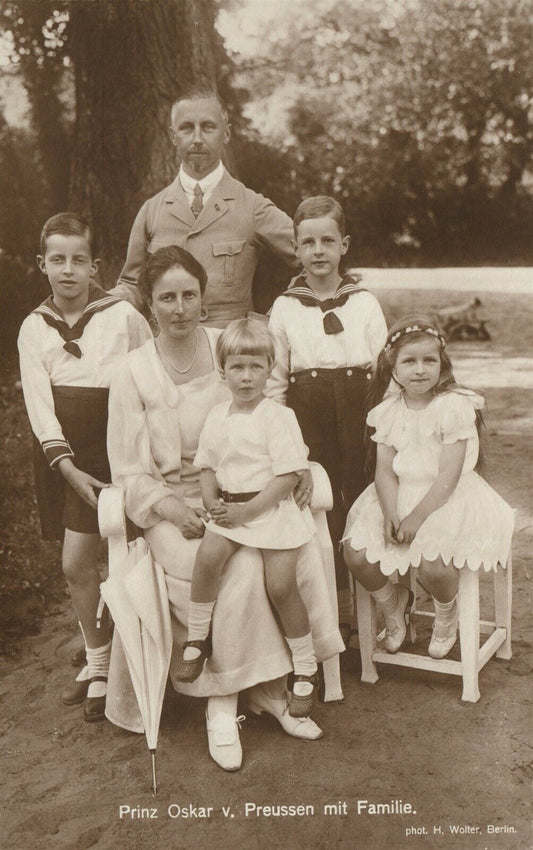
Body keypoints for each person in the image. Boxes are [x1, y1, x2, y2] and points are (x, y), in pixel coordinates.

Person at [106, 245, 344, 771]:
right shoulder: (133, 371)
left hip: (246, 494)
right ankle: (224, 704)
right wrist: (169, 507)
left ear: (203, 298)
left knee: (275, 555)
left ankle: (266, 687)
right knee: (231, 568)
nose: (179, 307)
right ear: (149, 304)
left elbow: (267, 412)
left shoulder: (229, 348)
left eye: (189, 295)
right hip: (172, 504)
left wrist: (296, 466)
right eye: (166, 297)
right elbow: (126, 469)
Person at [17, 212, 151, 722]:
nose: (68, 270)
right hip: (69, 457)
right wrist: (67, 468)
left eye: (78, 260)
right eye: (57, 260)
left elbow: (149, 372)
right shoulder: (34, 328)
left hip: (121, 445)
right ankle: (97, 661)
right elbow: (38, 406)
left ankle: (131, 660)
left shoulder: (122, 316)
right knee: (77, 562)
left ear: (95, 266)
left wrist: (139, 450)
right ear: (42, 264)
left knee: (128, 554)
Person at [342, 315, 514, 658]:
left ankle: (445, 613)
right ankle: (393, 605)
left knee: (434, 562)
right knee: (356, 554)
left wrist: (415, 520)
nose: (419, 370)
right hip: (398, 494)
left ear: (442, 364)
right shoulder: (387, 412)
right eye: (409, 361)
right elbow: (385, 472)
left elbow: (448, 476)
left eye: (428, 361)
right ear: (393, 366)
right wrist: (391, 512)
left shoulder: (453, 406)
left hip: (446, 498)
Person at [177, 319, 319, 718]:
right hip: (231, 509)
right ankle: (198, 636)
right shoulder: (217, 416)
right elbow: (206, 466)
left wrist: (247, 511)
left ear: (270, 368)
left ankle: (305, 666)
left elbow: (288, 475)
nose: (246, 377)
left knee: (280, 585)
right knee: (208, 557)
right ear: (222, 371)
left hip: (269, 510)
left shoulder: (277, 416)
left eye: (256, 367)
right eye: (237, 367)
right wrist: (211, 502)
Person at [267, 196, 388, 644]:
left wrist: (386, 429)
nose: (318, 251)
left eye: (327, 241)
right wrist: (282, 442)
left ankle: (379, 603)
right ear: (296, 249)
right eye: (308, 242)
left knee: (364, 498)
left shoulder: (364, 302)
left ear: (344, 246)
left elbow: (385, 371)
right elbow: (276, 380)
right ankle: (336, 614)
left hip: (360, 408)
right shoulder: (285, 307)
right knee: (321, 504)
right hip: (308, 411)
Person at [111, 86, 296, 326]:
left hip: (230, 353)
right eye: (187, 128)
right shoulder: (151, 210)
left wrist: (274, 318)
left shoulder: (252, 206)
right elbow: (131, 286)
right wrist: (99, 303)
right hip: (169, 350)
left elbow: (313, 260)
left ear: (226, 134)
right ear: (173, 136)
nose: (197, 139)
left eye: (208, 127)